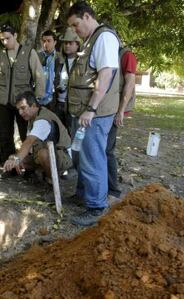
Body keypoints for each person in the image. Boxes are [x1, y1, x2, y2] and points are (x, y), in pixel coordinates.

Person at [67, 1, 121, 226]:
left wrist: (91, 109)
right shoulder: (90, 39)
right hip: (83, 112)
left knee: (92, 158)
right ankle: (84, 194)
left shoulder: (104, 38)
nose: (74, 30)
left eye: (76, 24)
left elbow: (105, 75)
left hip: (94, 114)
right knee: (80, 155)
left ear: (87, 16)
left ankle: (96, 207)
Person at [0, 23, 45, 165]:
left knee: (26, 134)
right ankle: (9, 165)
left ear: (16, 36)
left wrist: (37, 98)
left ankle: (28, 165)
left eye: (8, 38)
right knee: (5, 135)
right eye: (2, 40)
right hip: (4, 102)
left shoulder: (29, 53)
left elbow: (39, 76)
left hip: (24, 103)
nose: (5, 42)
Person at [3, 91, 72, 180]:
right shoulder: (33, 117)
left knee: (42, 154)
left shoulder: (42, 120)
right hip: (44, 154)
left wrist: (17, 159)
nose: (20, 112)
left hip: (62, 156)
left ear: (34, 105)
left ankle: (52, 181)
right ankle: (42, 171)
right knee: (13, 157)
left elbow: (29, 141)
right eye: (18, 109)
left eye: (23, 108)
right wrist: (15, 158)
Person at [106, 47, 137, 198]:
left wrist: (120, 111)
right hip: (105, 108)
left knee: (107, 151)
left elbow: (129, 83)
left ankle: (113, 190)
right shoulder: (108, 52)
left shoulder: (127, 55)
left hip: (114, 109)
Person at [53, 28, 81, 129]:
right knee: (57, 134)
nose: (67, 46)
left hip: (73, 105)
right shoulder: (58, 61)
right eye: (65, 43)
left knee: (72, 134)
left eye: (70, 43)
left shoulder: (81, 62)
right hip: (58, 103)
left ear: (78, 45)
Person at [38, 30, 57, 109]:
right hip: (38, 98)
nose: (46, 43)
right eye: (44, 41)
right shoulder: (37, 56)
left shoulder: (60, 57)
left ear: (55, 42)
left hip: (53, 98)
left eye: (49, 41)